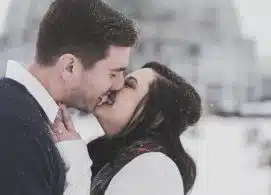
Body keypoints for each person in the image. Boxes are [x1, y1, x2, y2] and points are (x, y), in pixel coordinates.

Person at [0, 0, 138, 194]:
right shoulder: (16, 129)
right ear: (69, 67)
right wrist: (78, 171)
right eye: (113, 74)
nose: (119, 85)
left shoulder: (26, 119)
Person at [51, 62, 202, 195]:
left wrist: (75, 162)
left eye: (129, 85)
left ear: (157, 117)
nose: (116, 85)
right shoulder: (108, 160)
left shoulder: (154, 170)